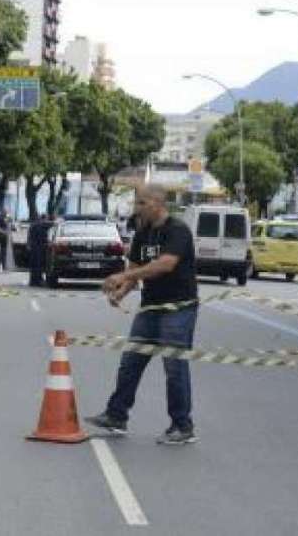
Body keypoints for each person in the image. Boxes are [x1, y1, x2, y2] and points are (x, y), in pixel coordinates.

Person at [85, 184, 199, 445]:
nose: (137, 209)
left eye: (142, 203)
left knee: (174, 367)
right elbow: (135, 271)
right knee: (130, 362)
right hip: (150, 307)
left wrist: (123, 276)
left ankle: (182, 426)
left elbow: (165, 264)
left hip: (178, 308)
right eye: (137, 203)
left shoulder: (177, 230)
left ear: (158, 204)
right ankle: (116, 415)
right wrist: (121, 292)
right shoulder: (142, 233)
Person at [27, 213, 55, 287]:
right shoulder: (42, 224)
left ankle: (33, 281)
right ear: (44, 218)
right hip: (39, 247)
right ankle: (38, 281)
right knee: (39, 265)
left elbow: (29, 237)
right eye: (46, 219)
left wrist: (28, 245)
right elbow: (51, 224)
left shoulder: (33, 225)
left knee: (34, 266)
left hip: (33, 247)